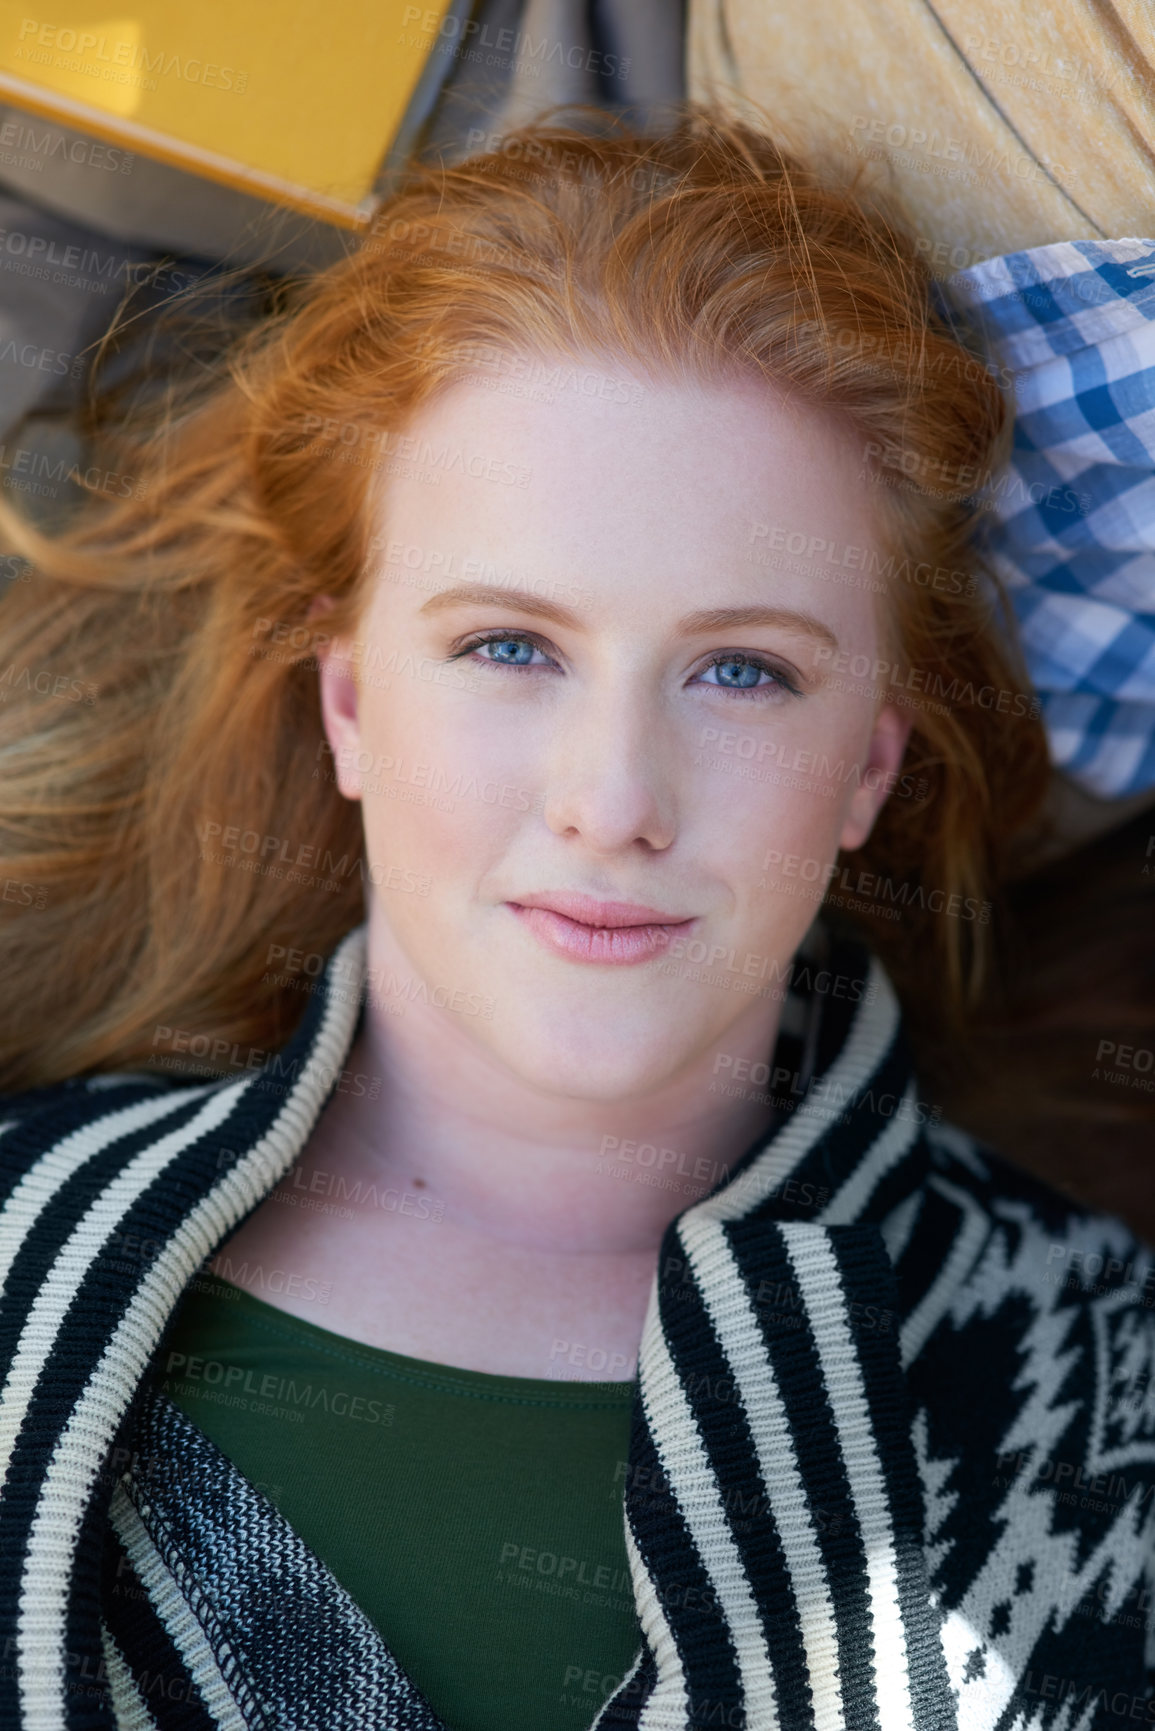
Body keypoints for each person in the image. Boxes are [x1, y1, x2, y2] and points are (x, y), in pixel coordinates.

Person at [0, 106, 1150, 1731]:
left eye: (743, 670)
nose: (614, 798)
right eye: (509, 648)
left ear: (867, 767)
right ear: (346, 702)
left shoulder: (1101, 1372)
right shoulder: (14, 1247)